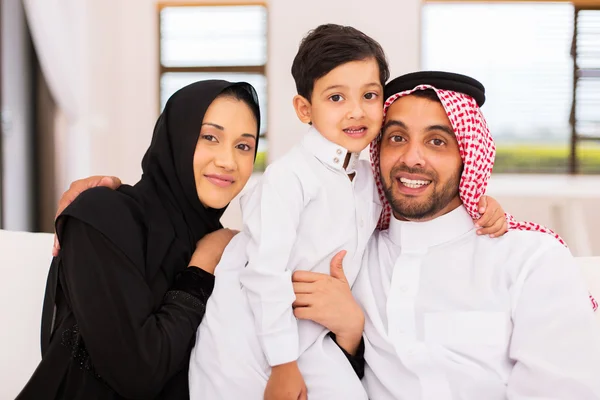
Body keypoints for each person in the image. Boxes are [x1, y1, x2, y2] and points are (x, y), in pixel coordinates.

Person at [348, 71, 600, 399]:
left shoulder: (530, 259)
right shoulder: (354, 259)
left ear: (468, 156)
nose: (411, 158)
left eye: (437, 142)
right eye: (397, 138)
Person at [17, 80, 262, 399]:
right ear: (177, 137)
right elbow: (138, 373)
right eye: (210, 137)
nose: (228, 161)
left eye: (243, 146)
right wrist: (200, 269)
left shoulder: (233, 249)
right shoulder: (102, 214)